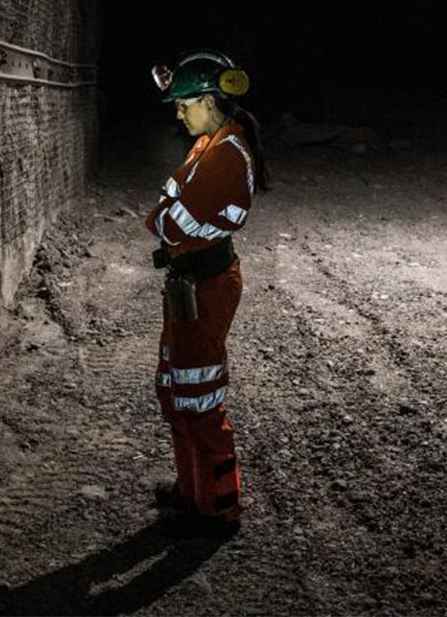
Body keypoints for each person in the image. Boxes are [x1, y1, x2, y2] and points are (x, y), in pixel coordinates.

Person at [143, 50, 271, 539]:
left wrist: (167, 212)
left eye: (184, 104)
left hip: (207, 286)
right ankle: (191, 490)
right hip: (190, 283)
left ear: (211, 101)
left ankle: (218, 509)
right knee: (176, 390)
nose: (178, 113)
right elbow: (167, 213)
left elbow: (166, 221)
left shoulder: (225, 155)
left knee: (199, 397)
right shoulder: (209, 144)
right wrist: (168, 213)